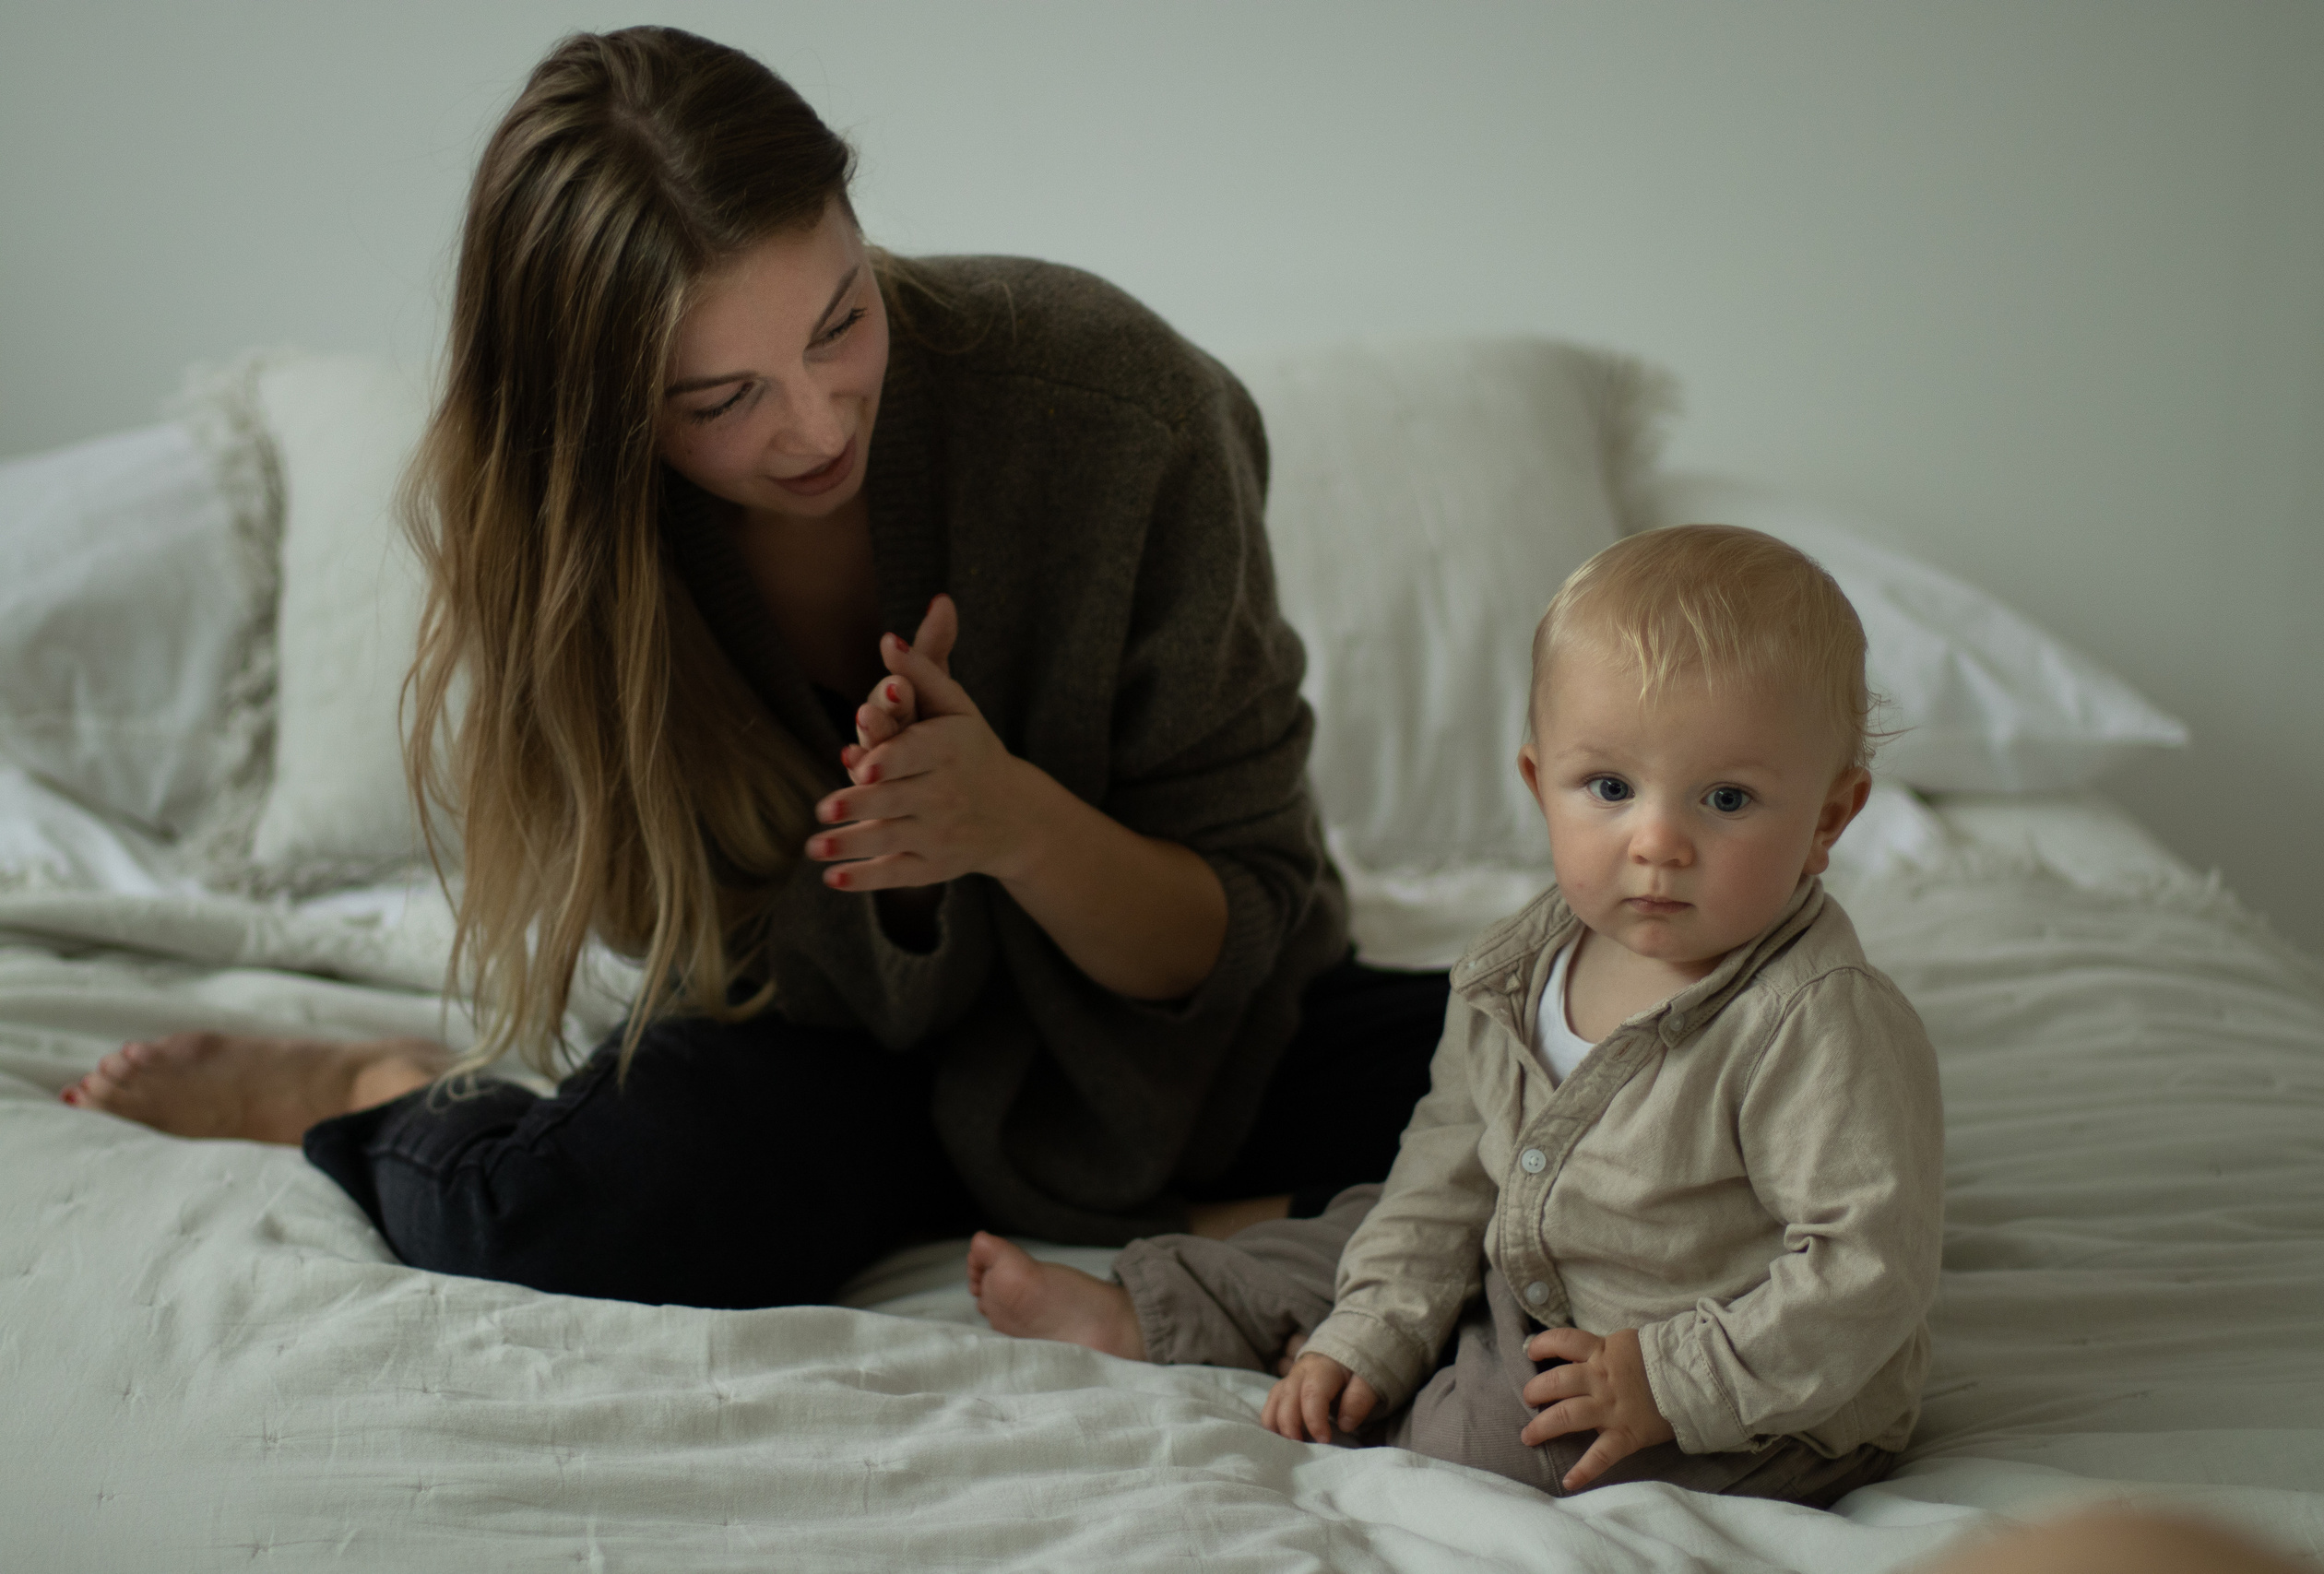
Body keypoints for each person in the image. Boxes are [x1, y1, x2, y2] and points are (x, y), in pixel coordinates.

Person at [59, 25, 1452, 1308]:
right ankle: (378, 1082)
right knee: (543, 1217)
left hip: (1194, 1051)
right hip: (832, 1057)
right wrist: (890, 887)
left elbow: (1240, 922)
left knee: (1629, 1097)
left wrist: (1013, 825)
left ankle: (1163, 1190)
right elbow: (700, 972)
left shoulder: (1120, 408)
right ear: (602, 419)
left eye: (841, 319)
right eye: (723, 400)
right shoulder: (574, 544)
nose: (815, 424)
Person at [969, 525, 1945, 1506]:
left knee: (1480, 1439)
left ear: (1827, 819)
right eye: (1609, 788)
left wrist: (1664, 1379)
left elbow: (1865, 1272)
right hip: (1523, 1263)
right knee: (1364, 1224)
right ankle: (1154, 1315)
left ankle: (1384, 1380)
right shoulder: (1514, 971)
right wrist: (1379, 1320)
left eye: (1725, 798)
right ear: (1539, 784)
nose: (1657, 842)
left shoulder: (1818, 1023)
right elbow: (1446, 1163)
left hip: (1726, 1384)